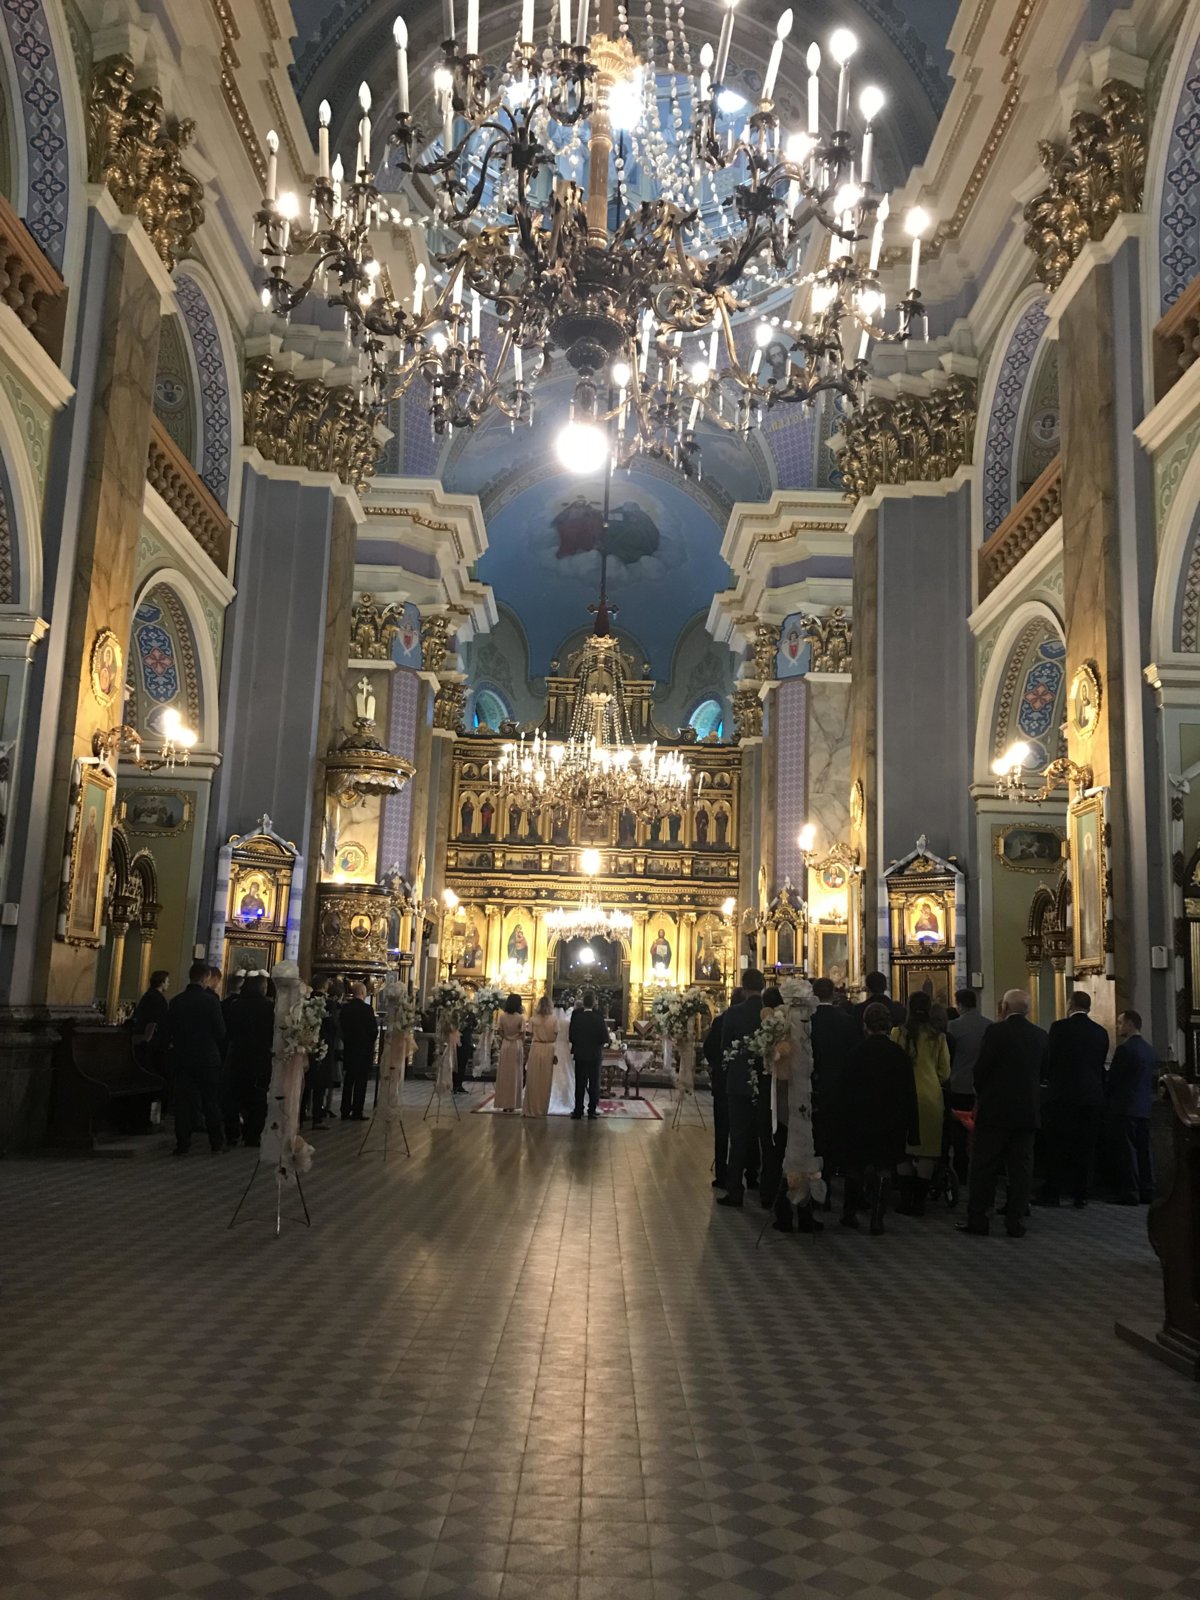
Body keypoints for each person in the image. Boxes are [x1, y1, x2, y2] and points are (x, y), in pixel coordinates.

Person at [960, 989, 1047, 1238]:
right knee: (1021, 1170)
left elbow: (981, 1068)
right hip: (1027, 1113)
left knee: (984, 1167)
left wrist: (982, 1092)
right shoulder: (1040, 1036)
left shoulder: (996, 1032)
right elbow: (1043, 1072)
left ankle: (979, 1218)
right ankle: (1016, 1221)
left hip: (995, 1112)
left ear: (1004, 1008)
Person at [839, 1003, 920, 1234]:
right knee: (884, 1168)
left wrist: (842, 1121)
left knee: (854, 1167)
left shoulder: (856, 1053)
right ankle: (877, 1219)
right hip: (890, 1122)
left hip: (859, 1120)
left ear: (865, 1025)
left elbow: (845, 1091)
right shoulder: (900, 1056)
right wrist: (912, 1129)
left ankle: (850, 1213)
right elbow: (908, 1093)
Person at [1039, 990, 1109, 1208]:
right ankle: (1081, 1195)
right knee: (1085, 1148)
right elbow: (1099, 1066)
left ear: (1070, 1004)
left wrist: (1047, 1079)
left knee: (1057, 1146)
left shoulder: (1059, 1028)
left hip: (1062, 1096)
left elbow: (1049, 1059)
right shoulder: (1101, 1032)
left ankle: (1052, 1193)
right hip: (1091, 1097)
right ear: (1088, 1007)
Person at [891, 991, 950, 1214]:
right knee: (928, 1151)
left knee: (903, 1149)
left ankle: (905, 1201)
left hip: (902, 1095)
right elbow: (945, 1072)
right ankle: (920, 1202)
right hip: (931, 1098)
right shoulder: (938, 1037)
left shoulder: (898, 1033)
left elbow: (893, 1064)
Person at [717, 968, 766, 1209]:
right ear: (763, 986)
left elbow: (725, 1047)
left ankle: (735, 1191)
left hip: (737, 1084)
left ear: (743, 987)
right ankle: (765, 1190)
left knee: (738, 1138)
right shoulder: (771, 1013)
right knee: (765, 1138)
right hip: (765, 1084)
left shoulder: (734, 1013)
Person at [169, 959, 227, 1155]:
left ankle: (183, 1144)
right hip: (207, 1059)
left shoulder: (176, 1001)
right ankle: (216, 1143)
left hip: (182, 1058)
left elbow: (170, 1031)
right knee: (211, 1101)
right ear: (206, 978)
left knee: (183, 1103)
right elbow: (220, 1032)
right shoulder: (211, 1002)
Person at [810, 976, 858, 1198]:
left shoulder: (807, 1020)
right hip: (840, 1089)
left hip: (812, 1088)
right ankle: (830, 1186)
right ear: (834, 994)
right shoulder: (847, 1020)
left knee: (815, 1140)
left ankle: (817, 1188)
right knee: (835, 1140)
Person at [1105, 1009, 1156, 1205]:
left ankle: (1130, 1192)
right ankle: (1147, 1189)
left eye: (1120, 1023)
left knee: (1128, 1152)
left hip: (1125, 1107)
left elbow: (1115, 1079)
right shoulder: (1148, 1049)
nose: (1118, 1027)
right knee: (1144, 1150)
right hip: (1144, 1106)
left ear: (1130, 1024)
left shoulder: (1125, 1049)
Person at [224, 973, 275, 1147]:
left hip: (237, 1055)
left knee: (234, 1096)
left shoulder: (235, 1006)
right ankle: (253, 1135)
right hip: (260, 1057)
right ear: (263, 988)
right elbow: (272, 1034)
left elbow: (228, 1031)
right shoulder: (269, 1007)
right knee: (258, 1098)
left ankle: (232, 1133)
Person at [946, 988, 991, 1180]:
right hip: (981, 1086)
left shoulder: (953, 1026)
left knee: (958, 1131)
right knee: (979, 1129)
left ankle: (960, 1169)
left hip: (958, 1084)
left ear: (960, 1004)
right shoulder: (989, 1025)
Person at [703, 986, 743, 1191]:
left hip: (722, 1084)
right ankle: (748, 1175)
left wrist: (717, 1067)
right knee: (745, 1131)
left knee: (722, 1130)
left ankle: (722, 1174)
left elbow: (708, 1048)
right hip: (747, 1084)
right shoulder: (759, 1017)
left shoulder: (721, 1021)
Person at [339, 982, 378, 1121]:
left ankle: (344, 1110)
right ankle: (357, 1111)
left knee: (349, 1080)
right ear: (362, 993)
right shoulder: (367, 1010)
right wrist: (368, 1043)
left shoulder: (345, 1009)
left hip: (349, 1049)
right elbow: (374, 1030)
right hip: (363, 1051)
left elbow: (341, 1028)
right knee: (361, 1082)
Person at [568, 990, 608, 1119]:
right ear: (594, 1003)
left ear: (583, 1003)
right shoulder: (599, 1017)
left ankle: (578, 1110)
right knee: (594, 1083)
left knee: (580, 1083)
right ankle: (592, 1110)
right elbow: (605, 1038)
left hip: (580, 1054)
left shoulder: (576, 1016)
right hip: (595, 1055)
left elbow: (571, 1036)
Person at [130, 968, 171, 1080]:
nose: (168, 984)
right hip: (154, 1043)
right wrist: (147, 1038)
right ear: (162, 983)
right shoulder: (158, 999)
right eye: (167, 981)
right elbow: (153, 1020)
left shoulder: (148, 996)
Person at [524, 996, 557, 1117]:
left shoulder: (533, 1019)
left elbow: (529, 1035)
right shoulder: (554, 1020)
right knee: (545, 1081)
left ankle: (531, 1108)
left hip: (536, 1048)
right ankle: (542, 1109)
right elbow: (556, 1035)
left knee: (533, 1079)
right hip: (549, 1049)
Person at [495, 993, 525, 1112]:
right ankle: (513, 1103)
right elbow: (522, 1034)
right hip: (516, 1045)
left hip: (506, 1044)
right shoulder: (520, 1017)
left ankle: (503, 1103)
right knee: (515, 1074)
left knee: (504, 1073)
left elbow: (500, 1032)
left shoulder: (502, 1016)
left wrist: (507, 1037)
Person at [454, 1010, 475, 1095]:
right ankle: (455, 1084)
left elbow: (475, 1025)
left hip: (466, 1043)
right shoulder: (459, 1016)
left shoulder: (470, 1016)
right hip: (460, 1042)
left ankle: (459, 1084)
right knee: (457, 1064)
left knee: (462, 1065)